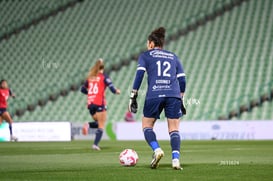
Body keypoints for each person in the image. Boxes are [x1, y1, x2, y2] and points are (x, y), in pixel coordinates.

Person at [129, 27, 186, 170]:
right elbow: (182, 79)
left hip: (154, 94)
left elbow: (139, 75)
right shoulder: (173, 56)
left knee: (147, 126)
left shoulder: (146, 55)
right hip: (173, 94)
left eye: (148, 43)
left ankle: (157, 150)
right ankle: (176, 160)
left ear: (151, 44)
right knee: (174, 129)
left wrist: (133, 95)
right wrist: (181, 96)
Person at [81, 59, 120, 150]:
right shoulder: (104, 77)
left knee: (98, 123)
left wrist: (91, 94)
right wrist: (117, 91)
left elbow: (82, 90)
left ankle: (88, 125)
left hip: (90, 104)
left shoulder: (90, 77)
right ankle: (95, 144)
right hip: (99, 103)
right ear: (103, 67)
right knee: (101, 125)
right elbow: (112, 88)